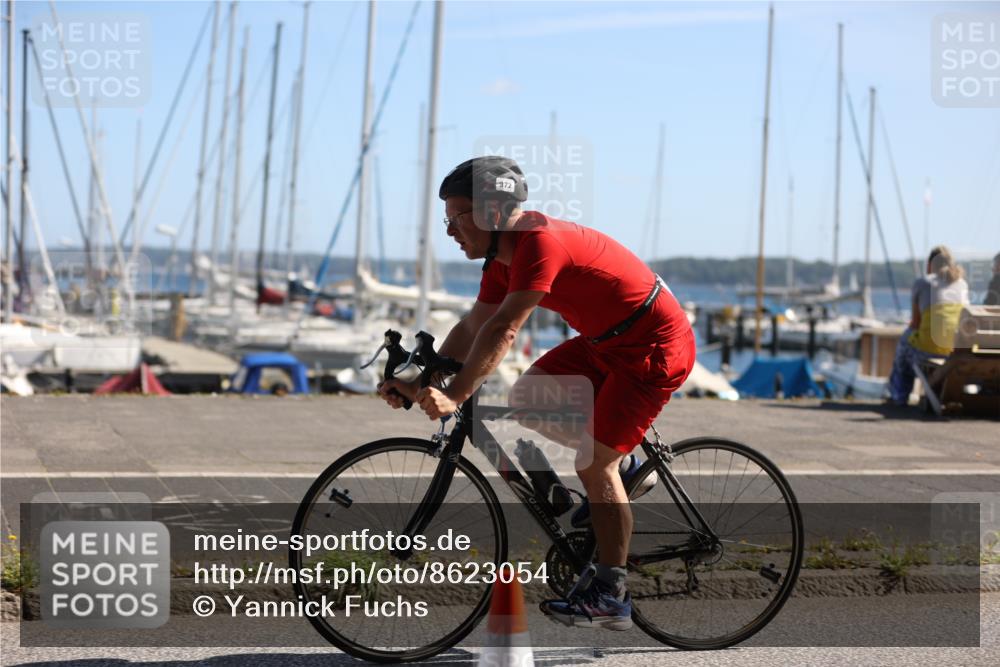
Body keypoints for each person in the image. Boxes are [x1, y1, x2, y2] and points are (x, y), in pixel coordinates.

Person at [378, 156, 696, 630]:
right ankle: (628, 469)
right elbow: (474, 325)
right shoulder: (501, 261)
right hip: (604, 343)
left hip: (652, 346)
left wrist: (458, 393)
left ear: (492, 213)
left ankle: (612, 595)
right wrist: (421, 381)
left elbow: (504, 329)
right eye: (447, 220)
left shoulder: (539, 244)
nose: (450, 230)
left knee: (594, 465)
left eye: (457, 217)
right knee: (526, 399)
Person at [886, 245, 969, 405]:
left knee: (904, 342)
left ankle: (899, 395)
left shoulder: (923, 282)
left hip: (929, 351)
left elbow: (915, 324)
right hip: (954, 351)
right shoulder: (962, 284)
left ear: (930, 264)